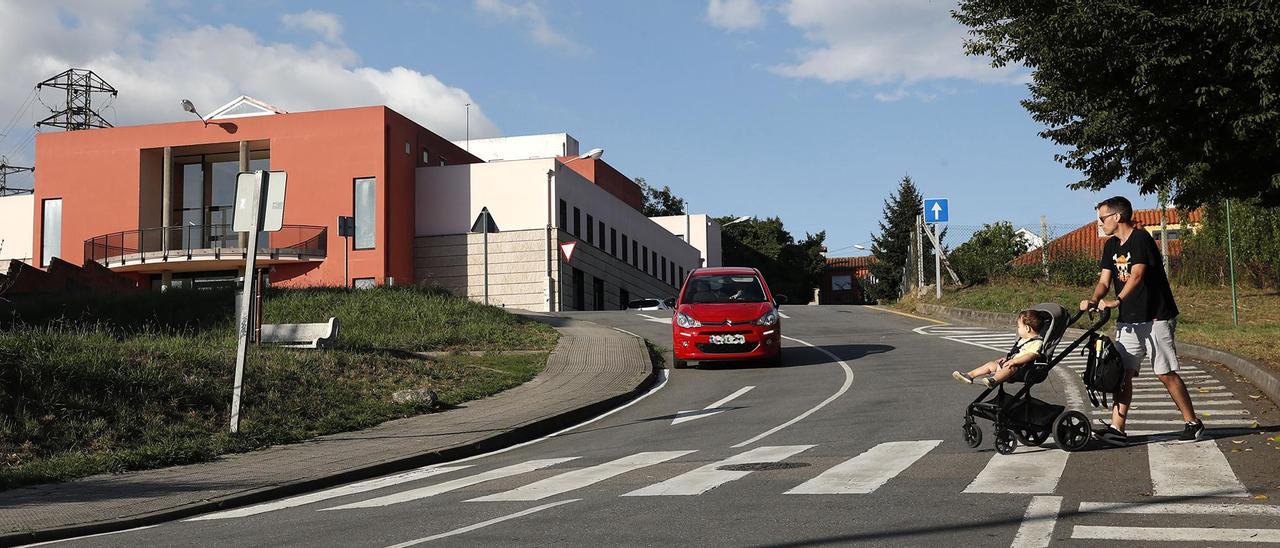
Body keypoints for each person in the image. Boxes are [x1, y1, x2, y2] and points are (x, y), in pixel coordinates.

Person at [1081, 196, 1203, 446]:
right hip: (1129, 320)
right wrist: (1094, 299)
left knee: (1164, 372)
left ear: (1117, 216)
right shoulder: (1110, 246)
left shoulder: (1141, 239)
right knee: (1121, 373)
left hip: (1156, 316)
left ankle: (1193, 422)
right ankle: (1118, 428)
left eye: (1102, 218)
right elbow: (1105, 281)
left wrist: (1117, 300)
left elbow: (1136, 275)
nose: (1100, 223)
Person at [952, 310, 1048, 388]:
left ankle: (993, 380)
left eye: (1019, 327)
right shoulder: (1023, 340)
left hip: (1022, 369)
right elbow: (1017, 352)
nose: (1018, 329)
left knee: (1009, 369)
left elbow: (1032, 355)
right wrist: (1007, 358)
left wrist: (1014, 362)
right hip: (1010, 364)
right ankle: (970, 375)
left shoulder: (1037, 342)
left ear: (1027, 328)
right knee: (991, 364)